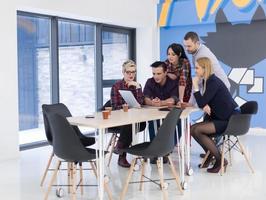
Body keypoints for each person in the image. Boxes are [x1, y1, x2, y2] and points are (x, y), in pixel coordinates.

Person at [190, 57, 239, 173]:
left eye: (197, 68)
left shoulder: (213, 82)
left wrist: (195, 86)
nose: (195, 71)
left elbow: (202, 101)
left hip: (230, 120)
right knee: (193, 129)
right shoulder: (209, 81)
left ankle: (219, 160)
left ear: (204, 68)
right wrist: (205, 104)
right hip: (222, 117)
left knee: (196, 130)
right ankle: (211, 155)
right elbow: (204, 102)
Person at [110, 60, 146, 168]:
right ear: (123, 72)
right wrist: (127, 107)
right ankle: (122, 155)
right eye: (128, 72)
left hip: (133, 119)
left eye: (133, 72)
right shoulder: (116, 86)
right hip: (119, 119)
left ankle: (120, 147)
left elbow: (140, 103)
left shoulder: (137, 85)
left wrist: (138, 88)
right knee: (129, 124)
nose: (131, 75)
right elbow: (115, 106)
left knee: (141, 124)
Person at [143, 61, 179, 163]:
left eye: (158, 73)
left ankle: (167, 150)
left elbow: (173, 99)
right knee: (152, 121)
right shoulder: (150, 82)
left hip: (169, 114)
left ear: (165, 72)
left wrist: (161, 102)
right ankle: (154, 152)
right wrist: (152, 102)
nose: (156, 76)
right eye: (154, 73)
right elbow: (145, 98)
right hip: (155, 114)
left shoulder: (172, 83)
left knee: (177, 123)